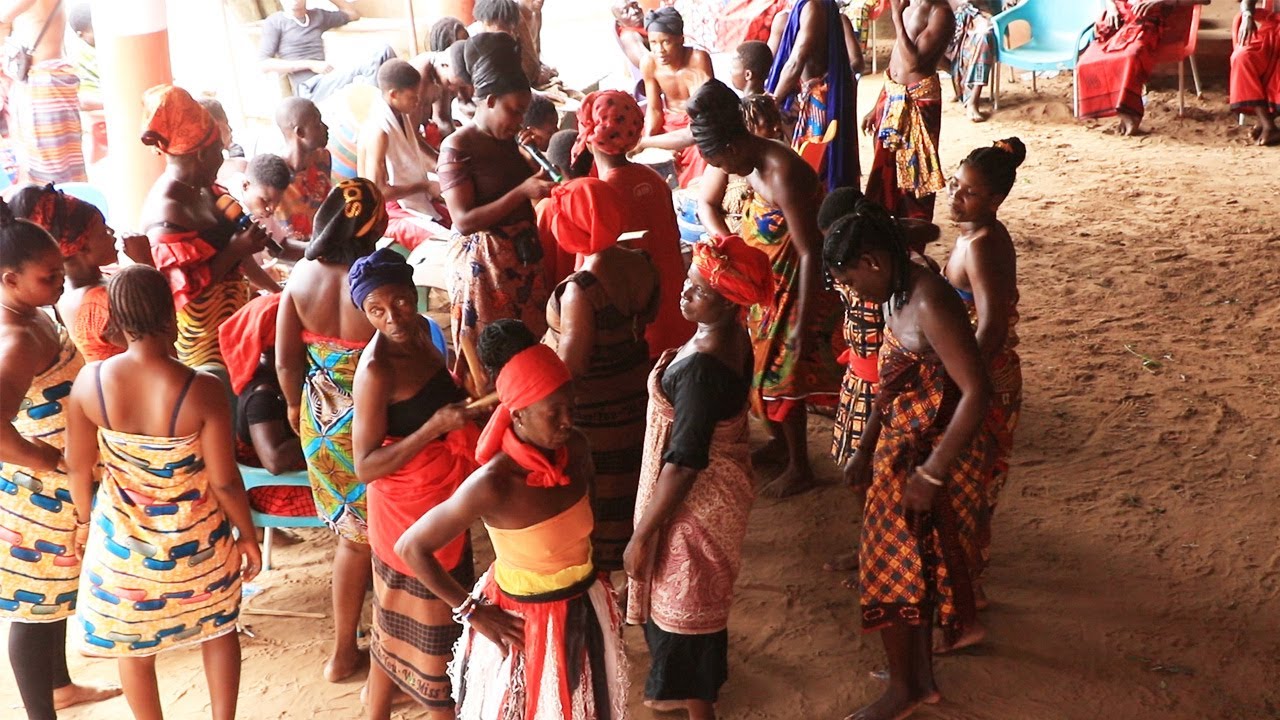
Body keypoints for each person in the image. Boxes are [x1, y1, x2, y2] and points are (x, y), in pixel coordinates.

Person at [395, 319, 629, 719]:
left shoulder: (576, 449)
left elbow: (583, 527)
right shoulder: (494, 483)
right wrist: (472, 611)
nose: (567, 421)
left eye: (570, 408)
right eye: (553, 413)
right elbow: (411, 547)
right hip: (526, 624)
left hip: (584, 603)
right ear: (518, 415)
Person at [65, 264, 261, 720]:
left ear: (116, 320)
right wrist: (248, 535)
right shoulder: (202, 388)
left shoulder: (89, 382)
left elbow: (78, 467)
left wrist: (83, 523)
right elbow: (225, 480)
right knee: (219, 630)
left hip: (123, 552)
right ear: (171, 314)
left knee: (133, 649)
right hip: (200, 547)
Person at [824, 200, 991, 720]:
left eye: (850, 280)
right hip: (904, 447)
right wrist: (866, 445)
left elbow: (977, 391)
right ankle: (918, 680)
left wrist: (932, 474)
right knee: (912, 568)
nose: (853, 291)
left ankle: (906, 689)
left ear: (871, 262)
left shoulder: (930, 301)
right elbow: (892, 380)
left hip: (937, 456)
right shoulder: (895, 291)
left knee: (892, 567)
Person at [624, 235, 770, 720]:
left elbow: (685, 461)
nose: (684, 293)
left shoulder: (703, 371)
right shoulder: (729, 337)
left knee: (685, 606)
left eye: (698, 290)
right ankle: (677, 690)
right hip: (712, 497)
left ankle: (698, 705)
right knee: (691, 599)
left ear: (728, 303)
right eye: (688, 282)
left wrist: (643, 535)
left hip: (695, 506)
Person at [689, 79, 845, 498]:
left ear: (733, 146)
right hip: (767, 287)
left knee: (782, 377)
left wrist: (802, 323)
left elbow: (810, 251)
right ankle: (780, 446)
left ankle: (800, 466)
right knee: (761, 371)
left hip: (797, 288)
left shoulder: (782, 172)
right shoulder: (751, 164)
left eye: (720, 161)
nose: (723, 170)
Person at [348, 249, 485, 719]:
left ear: (415, 294)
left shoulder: (424, 332)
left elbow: (438, 392)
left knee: (395, 623)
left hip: (441, 497)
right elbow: (365, 466)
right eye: (376, 310)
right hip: (406, 512)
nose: (393, 318)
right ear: (364, 313)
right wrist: (432, 429)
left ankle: (378, 710)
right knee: (434, 637)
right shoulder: (376, 370)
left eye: (401, 303)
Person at [0, 199, 121, 720]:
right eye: (48, 277)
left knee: (55, 595)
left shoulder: (32, 312)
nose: (59, 283)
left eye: (58, 271)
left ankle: (60, 688)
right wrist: (50, 462)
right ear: (10, 280)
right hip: (37, 496)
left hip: (60, 486)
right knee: (34, 608)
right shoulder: (16, 338)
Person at [276, 177, 388, 682]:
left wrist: (294, 408)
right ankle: (391, 653)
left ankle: (343, 652)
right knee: (387, 537)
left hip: (320, 426)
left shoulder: (301, 276)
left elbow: (286, 362)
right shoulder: (376, 281)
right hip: (373, 425)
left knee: (352, 539)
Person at [543, 178, 659, 572]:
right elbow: (648, 317)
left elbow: (572, 368)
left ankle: (607, 580)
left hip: (598, 417)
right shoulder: (642, 263)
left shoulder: (581, 290)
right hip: (635, 397)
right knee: (632, 489)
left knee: (603, 500)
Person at [440, 32, 553, 385]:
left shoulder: (512, 142)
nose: (519, 121)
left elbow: (539, 183)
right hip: (485, 271)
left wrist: (532, 158)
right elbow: (463, 220)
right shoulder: (458, 147)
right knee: (494, 360)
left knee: (531, 352)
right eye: (514, 111)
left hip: (523, 260)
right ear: (489, 101)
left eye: (523, 113)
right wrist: (522, 191)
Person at [943, 138, 1024, 612]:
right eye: (954, 184)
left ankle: (967, 593)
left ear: (995, 200)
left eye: (968, 192)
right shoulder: (972, 234)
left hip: (984, 376)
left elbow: (990, 327)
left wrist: (962, 385)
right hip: (976, 371)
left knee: (968, 483)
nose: (955, 196)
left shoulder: (982, 246)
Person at [138, 85, 271, 375]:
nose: (223, 158)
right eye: (218, 151)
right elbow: (183, 293)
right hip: (205, 347)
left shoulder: (207, 189)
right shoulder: (167, 213)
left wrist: (277, 292)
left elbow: (242, 257)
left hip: (237, 324)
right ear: (201, 154)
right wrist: (236, 249)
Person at [576, 89, 696, 357]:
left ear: (590, 140)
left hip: (640, 327)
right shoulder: (653, 178)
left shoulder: (600, 195)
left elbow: (589, 272)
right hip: (678, 312)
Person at [218, 292, 315, 518]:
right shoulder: (263, 395)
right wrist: (321, 432)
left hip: (291, 478)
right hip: (272, 489)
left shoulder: (278, 379)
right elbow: (274, 461)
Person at [9, 184, 124, 362]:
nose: (112, 232)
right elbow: (159, 345)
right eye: (103, 231)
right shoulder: (100, 304)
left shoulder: (61, 290)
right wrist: (146, 263)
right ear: (81, 247)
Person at [862, 0, 953, 221]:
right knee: (886, 167)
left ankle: (912, 231)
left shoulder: (941, 14)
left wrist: (896, 18)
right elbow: (897, 61)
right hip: (893, 94)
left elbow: (913, 63)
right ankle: (885, 225)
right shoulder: (908, 6)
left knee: (914, 173)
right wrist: (877, 105)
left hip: (918, 100)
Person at [1078, 0, 1211, 136]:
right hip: (1121, 18)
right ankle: (1117, 108)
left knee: (1131, 56)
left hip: (1155, 23)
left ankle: (1130, 112)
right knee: (1086, 61)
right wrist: (1112, 8)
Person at [766, 0, 860, 190]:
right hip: (802, 95)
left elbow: (796, 61)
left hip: (816, 100)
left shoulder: (813, 7)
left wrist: (773, 100)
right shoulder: (800, 10)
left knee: (813, 166)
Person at [359, 59, 449, 251]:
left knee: (461, 219)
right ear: (393, 95)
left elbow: (414, 153)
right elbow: (379, 193)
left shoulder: (400, 114)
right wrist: (424, 185)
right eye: (412, 97)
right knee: (447, 243)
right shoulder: (379, 131)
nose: (417, 102)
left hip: (415, 196)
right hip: (389, 213)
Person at [2, 0, 86, 184]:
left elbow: (3, 17)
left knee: (50, 163)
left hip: (45, 83)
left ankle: (58, 199)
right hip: (42, 80)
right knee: (52, 159)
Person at [258, 0, 395, 103]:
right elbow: (264, 64)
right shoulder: (275, 22)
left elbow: (353, 14)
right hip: (308, 89)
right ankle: (375, 113)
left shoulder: (317, 16)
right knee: (378, 55)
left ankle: (389, 110)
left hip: (326, 80)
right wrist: (310, 64)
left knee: (385, 54)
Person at [637, 7, 714, 189]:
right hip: (668, 121)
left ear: (681, 39)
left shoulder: (698, 59)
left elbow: (701, 113)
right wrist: (650, 142)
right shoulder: (649, 63)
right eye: (653, 43)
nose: (659, 50)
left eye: (666, 42)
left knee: (702, 151)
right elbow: (654, 109)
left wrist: (670, 142)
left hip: (696, 122)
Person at [698, 92, 786, 237]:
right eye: (768, 123)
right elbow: (706, 204)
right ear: (747, 128)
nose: (777, 127)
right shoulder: (726, 160)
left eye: (777, 120)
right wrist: (727, 241)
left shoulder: (782, 165)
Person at [274, 96, 332, 245]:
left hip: (326, 245)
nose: (326, 127)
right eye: (318, 124)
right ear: (300, 132)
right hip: (294, 253)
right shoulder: (274, 176)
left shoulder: (323, 158)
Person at [1232, 0, 1280, 145]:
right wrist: (1247, 15)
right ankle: (1267, 123)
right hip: (1272, 29)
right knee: (1242, 57)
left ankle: (1266, 123)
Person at [945, 0, 997, 123]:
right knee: (925, 45)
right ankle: (959, 79)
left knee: (984, 37)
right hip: (951, 16)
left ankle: (973, 101)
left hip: (980, 15)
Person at [613, 0, 650, 89]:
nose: (634, 11)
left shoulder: (648, 25)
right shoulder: (629, 36)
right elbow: (649, 66)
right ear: (619, 22)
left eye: (635, 5)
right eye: (626, 11)